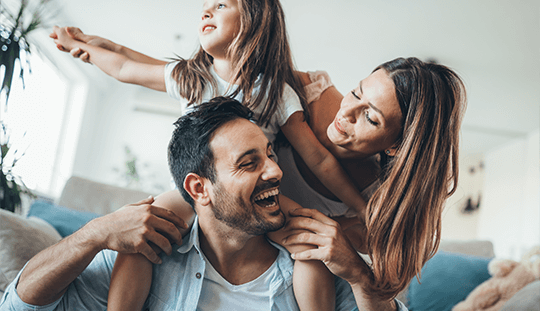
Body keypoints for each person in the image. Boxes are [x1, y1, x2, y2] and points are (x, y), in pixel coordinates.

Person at [49, 0, 367, 309]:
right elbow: (123, 67)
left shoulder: (276, 92)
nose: (205, 13)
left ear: (253, 23)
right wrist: (86, 48)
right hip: (192, 190)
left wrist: (362, 208)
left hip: (253, 193)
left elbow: (318, 158)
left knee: (309, 240)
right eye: (203, 8)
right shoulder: (192, 77)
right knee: (143, 233)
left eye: (219, 5)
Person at [0, 97, 408, 311]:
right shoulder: (148, 254)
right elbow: (18, 307)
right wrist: (92, 235)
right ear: (199, 188)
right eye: (249, 163)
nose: (275, 172)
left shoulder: (313, 266)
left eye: (271, 155)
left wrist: (360, 274)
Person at [271, 57, 467, 299]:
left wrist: (356, 269)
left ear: (395, 146)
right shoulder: (308, 90)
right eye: (356, 93)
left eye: (371, 118)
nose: (346, 114)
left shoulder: (379, 202)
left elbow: (385, 292)